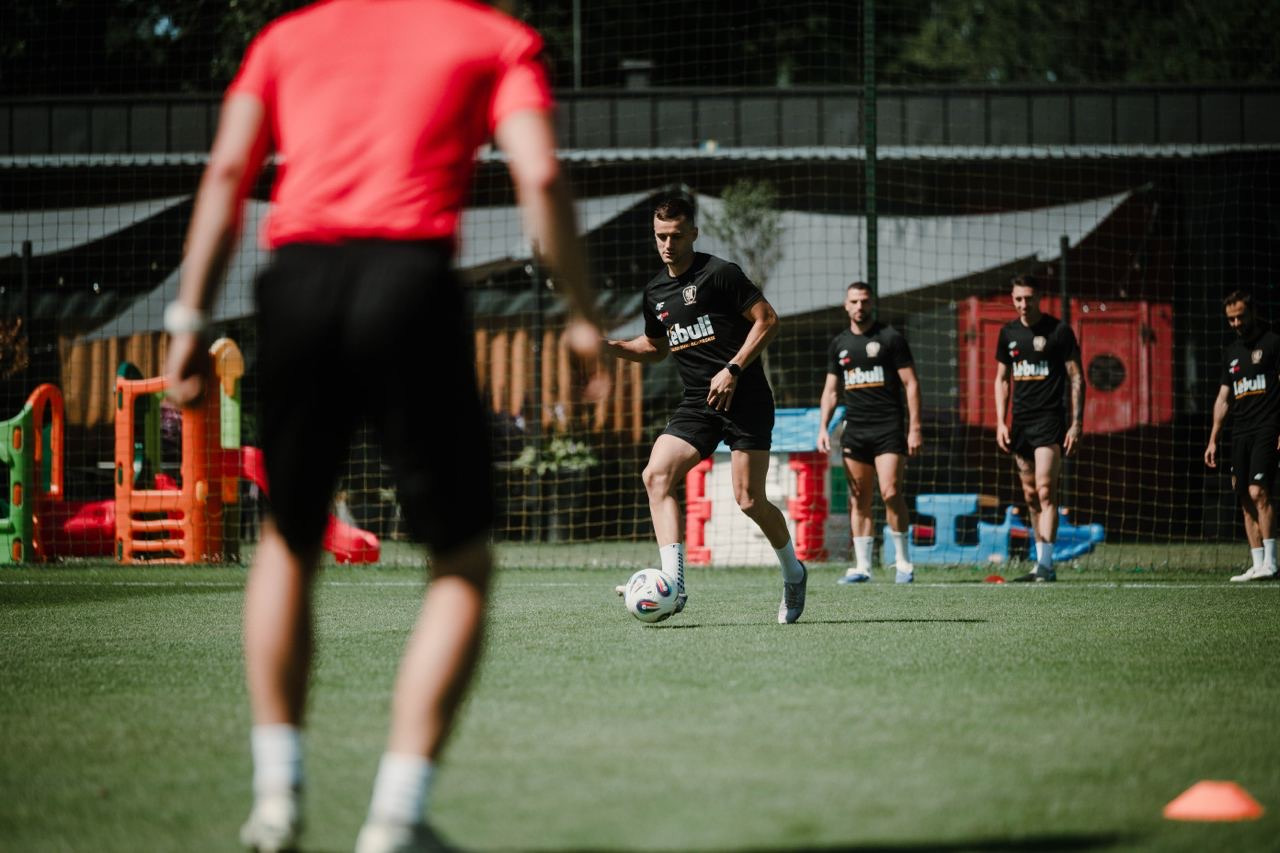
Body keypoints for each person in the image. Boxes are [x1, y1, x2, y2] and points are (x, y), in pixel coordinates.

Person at [161, 3, 605, 851]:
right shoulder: (493, 39)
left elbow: (225, 176)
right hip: (411, 285)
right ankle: (396, 817)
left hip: (297, 285)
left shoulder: (285, 38)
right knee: (461, 562)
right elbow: (543, 177)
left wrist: (187, 320)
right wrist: (582, 312)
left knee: (288, 542)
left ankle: (276, 800)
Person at [606, 196, 807, 623]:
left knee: (749, 500)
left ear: (694, 234)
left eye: (677, 236)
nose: (668, 245)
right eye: (661, 237)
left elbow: (768, 320)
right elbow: (656, 348)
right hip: (698, 402)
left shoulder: (720, 274)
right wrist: (614, 348)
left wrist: (733, 369)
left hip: (745, 398)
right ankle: (674, 585)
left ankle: (793, 571)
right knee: (655, 475)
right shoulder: (655, 292)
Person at [817, 282, 922, 584]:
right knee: (859, 498)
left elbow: (911, 384)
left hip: (888, 429)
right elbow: (831, 391)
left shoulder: (890, 338)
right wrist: (823, 428)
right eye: (854, 301)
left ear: (872, 303)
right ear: (846, 305)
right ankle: (862, 567)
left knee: (891, 492)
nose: (859, 306)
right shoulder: (839, 344)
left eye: (864, 301)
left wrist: (915, 428)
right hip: (855, 432)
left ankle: (903, 562)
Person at [993, 274, 1084, 582]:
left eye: (1029, 298)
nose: (1023, 304)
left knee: (1046, 490)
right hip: (1020, 425)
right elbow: (1002, 379)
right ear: (1013, 299)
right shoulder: (1008, 333)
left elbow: (1076, 377)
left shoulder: (1059, 331)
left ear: (1039, 297)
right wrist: (1000, 422)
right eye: (1018, 298)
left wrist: (1076, 424)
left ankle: (1045, 564)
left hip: (1049, 422)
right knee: (1030, 496)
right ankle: (1041, 562)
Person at [1204, 290, 1280, 582]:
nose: (1236, 323)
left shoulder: (1272, 344)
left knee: (1258, 492)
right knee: (1244, 497)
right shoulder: (1231, 353)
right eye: (1231, 319)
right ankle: (1257, 563)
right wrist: (1213, 439)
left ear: (1253, 313)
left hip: (1267, 427)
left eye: (1240, 317)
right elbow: (1224, 399)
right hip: (1240, 432)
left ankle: (1271, 563)